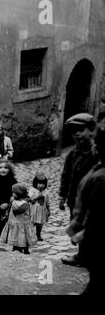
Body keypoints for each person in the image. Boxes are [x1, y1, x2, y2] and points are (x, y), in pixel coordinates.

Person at [65, 125, 105, 295]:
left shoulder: (100, 179)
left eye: (96, 143)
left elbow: (97, 213)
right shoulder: (97, 170)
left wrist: (83, 232)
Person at [59, 113, 98, 267]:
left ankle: (87, 257)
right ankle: (83, 255)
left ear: (91, 130)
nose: (77, 134)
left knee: (90, 227)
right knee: (78, 226)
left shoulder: (96, 153)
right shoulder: (72, 154)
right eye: (74, 131)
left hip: (91, 200)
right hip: (74, 200)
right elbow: (65, 175)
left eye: (81, 130)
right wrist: (62, 195)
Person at [0, 183, 37, 254]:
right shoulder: (16, 200)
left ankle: (25, 251)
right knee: (16, 238)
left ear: (18, 193)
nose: (12, 194)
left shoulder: (24, 202)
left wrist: (12, 201)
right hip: (16, 223)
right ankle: (16, 249)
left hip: (22, 224)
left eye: (13, 192)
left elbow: (17, 207)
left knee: (23, 239)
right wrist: (7, 206)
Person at [29, 172, 50, 241]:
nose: (41, 185)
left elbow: (47, 202)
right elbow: (30, 200)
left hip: (42, 210)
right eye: (39, 183)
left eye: (43, 184)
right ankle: (30, 235)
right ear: (35, 183)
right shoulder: (32, 190)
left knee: (40, 224)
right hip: (33, 210)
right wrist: (37, 197)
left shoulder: (46, 192)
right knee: (31, 223)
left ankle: (38, 234)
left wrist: (49, 210)